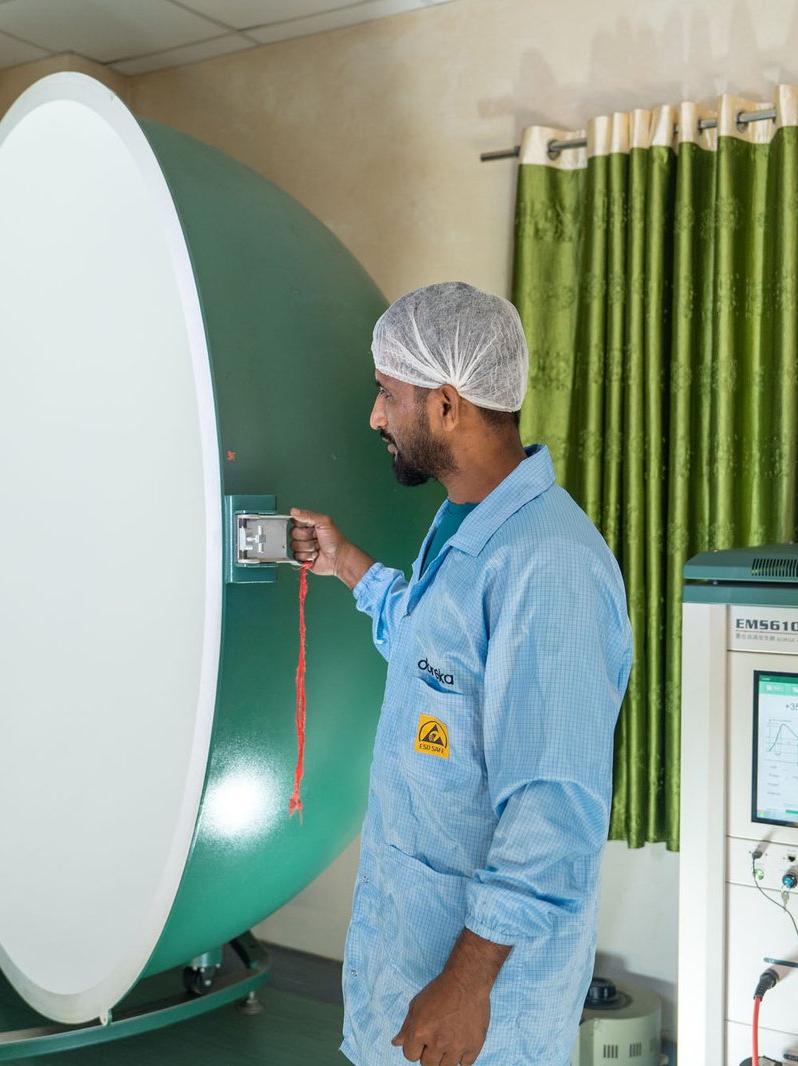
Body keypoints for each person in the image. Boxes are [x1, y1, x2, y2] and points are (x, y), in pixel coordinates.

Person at [290, 282, 633, 1066]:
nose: (375, 416)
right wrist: (349, 565)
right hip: (411, 961)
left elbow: (554, 809)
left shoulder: (550, 567)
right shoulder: (468, 525)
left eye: (387, 394)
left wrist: (467, 984)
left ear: (446, 404)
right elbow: (438, 657)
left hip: (485, 1008)